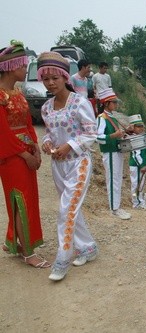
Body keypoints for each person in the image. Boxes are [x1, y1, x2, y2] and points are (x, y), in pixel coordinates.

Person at [37, 51, 98, 281]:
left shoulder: (80, 103)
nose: (51, 83)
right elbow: (49, 134)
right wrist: (47, 143)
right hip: (57, 166)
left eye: (55, 78)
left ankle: (62, 259)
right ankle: (88, 247)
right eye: (46, 79)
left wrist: (70, 145)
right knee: (72, 208)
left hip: (78, 163)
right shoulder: (46, 108)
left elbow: (91, 132)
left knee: (66, 209)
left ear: (65, 78)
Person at [0, 40, 49, 268]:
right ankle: (28, 253)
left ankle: (17, 241)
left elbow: (28, 123)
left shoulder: (17, 94)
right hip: (11, 157)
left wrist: (36, 148)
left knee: (28, 199)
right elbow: (3, 133)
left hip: (25, 153)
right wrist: (24, 154)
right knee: (21, 200)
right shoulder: (1, 96)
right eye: (23, 65)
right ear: (11, 66)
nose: (25, 69)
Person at [96, 88, 131, 220]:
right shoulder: (102, 118)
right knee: (112, 180)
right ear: (106, 103)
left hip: (117, 151)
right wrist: (113, 135)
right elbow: (98, 137)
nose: (116, 105)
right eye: (114, 102)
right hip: (109, 152)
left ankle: (117, 206)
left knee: (117, 180)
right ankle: (114, 209)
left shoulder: (112, 117)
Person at [128, 114, 146, 210]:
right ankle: (135, 203)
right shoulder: (132, 138)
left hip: (142, 165)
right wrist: (142, 165)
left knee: (141, 184)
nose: (140, 128)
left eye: (141, 126)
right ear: (133, 127)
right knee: (135, 184)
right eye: (138, 126)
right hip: (136, 165)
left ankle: (140, 201)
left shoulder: (141, 137)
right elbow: (136, 154)